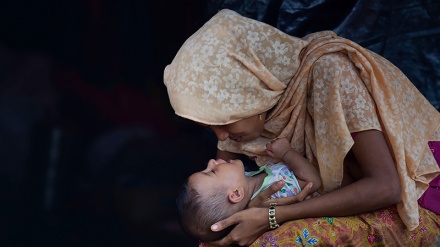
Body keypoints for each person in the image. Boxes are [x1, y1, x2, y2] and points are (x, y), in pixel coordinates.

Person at [164, 9, 440, 246]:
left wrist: (273, 216)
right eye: (209, 127)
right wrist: (253, 208)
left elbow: (388, 188)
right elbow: (218, 214)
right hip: (356, 197)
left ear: (249, 88)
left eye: (222, 122)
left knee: (281, 241)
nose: (222, 138)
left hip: (418, 196)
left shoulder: (330, 74)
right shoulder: (249, 113)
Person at [176, 137, 321, 242]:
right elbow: (313, 181)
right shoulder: (277, 192)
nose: (211, 162)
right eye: (212, 171)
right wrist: (286, 153)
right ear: (236, 194)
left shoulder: (245, 179)